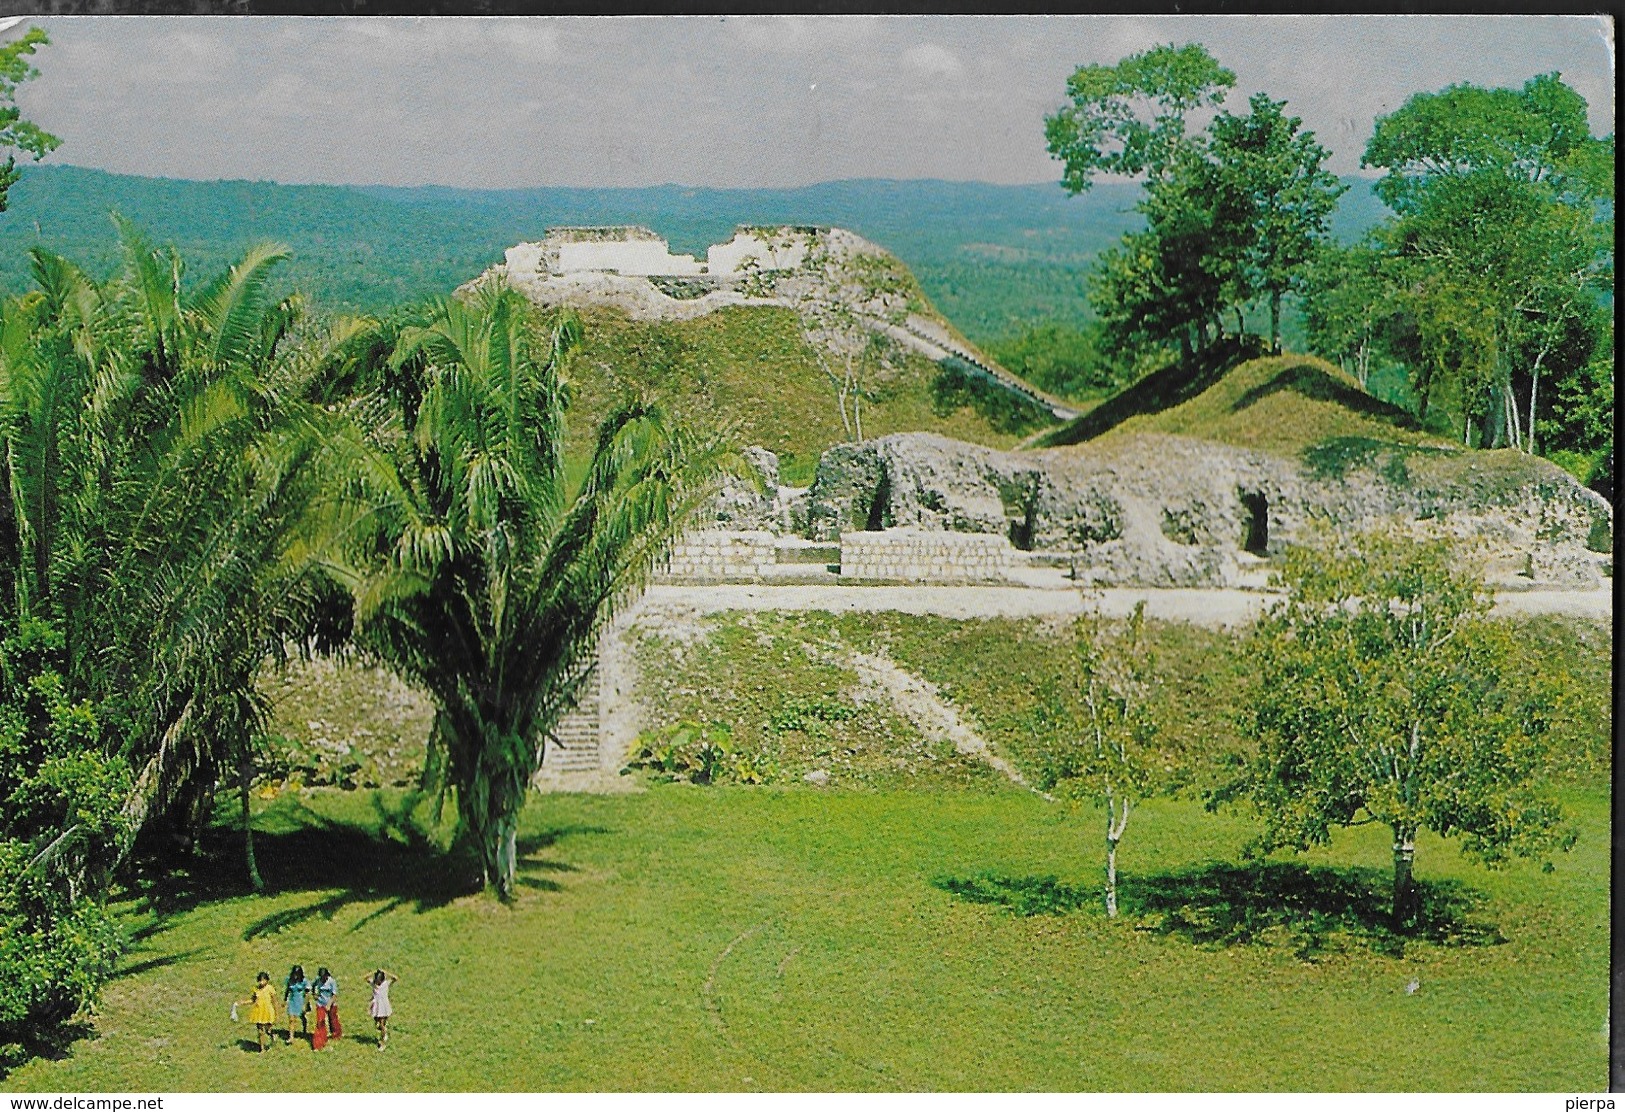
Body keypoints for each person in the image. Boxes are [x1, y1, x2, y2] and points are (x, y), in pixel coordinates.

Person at [238, 971, 278, 1052]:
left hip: (267, 1011)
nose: (262, 982)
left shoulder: (270, 988)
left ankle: (272, 1035)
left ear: (267, 980)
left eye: (263, 980)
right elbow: (253, 1000)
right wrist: (243, 1002)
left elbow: (274, 1001)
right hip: (259, 1011)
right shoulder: (256, 989)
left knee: (268, 1029)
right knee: (260, 1031)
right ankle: (262, 1048)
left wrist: (277, 1012)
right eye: (260, 980)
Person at [367, 969, 398, 1050]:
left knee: (381, 1025)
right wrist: (373, 972)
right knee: (377, 1023)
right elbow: (365, 978)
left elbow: (395, 978)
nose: (378, 983)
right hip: (376, 1005)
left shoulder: (386, 984)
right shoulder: (373, 984)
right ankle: (384, 1032)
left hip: (383, 1006)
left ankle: (382, 1042)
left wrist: (386, 972)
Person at [312, 967, 340, 1050]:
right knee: (320, 1021)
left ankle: (336, 1034)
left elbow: (334, 995)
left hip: (331, 1004)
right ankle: (319, 1041)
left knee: (333, 1020)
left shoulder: (331, 981)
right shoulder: (318, 980)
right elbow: (313, 985)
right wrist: (314, 995)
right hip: (321, 1003)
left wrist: (329, 1004)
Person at [283, 965, 311, 1045]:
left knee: (302, 1016)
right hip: (292, 1001)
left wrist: (305, 1004)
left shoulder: (304, 981)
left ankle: (304, 1029)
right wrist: (285, 999)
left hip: (301, 1001)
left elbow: (307, 993)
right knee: (291, 1019)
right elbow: (287, 990)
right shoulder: (289, 980)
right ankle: (291, 1037)